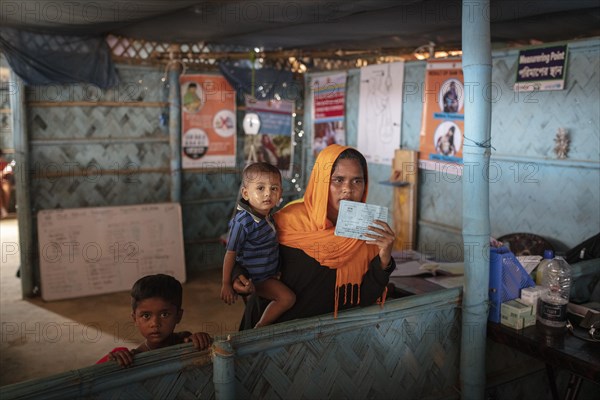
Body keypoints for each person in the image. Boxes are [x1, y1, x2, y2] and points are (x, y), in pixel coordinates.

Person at [232, 144, 396, 329]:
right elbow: (243, 252)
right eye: (338, 180)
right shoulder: (286, 221)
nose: (348, 190)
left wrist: (384, 259)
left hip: (324, 341)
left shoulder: (368, 233)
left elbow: (365, 298)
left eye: (357, 181)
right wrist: (238, 275)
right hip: (271, 333)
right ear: (321, 181)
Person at [221, 162, 295, 328]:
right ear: (246, 193)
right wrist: (226, 283)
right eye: (260, 188)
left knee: (255, 307)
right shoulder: (242, 222)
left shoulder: (268, 216)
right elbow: (231, 253)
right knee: (287, 298)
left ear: (280, 193)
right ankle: (261, 327)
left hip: (270, 273)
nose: (268, 193)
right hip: (257, 278)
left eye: (274, 188)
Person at [96, 274, 212, 367]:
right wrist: (115, 362)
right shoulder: (133, 359)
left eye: (164, 314)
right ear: (135, 319)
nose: (155, 324)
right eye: (146, 316)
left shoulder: (185, 340)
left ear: (178, 316)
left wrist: (201, 339)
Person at [0, 149, 14, 219]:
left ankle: (4, 210)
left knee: (6, 187)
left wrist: (7, 171)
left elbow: (10, 173)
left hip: (4, 182)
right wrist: (3, 173)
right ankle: (2, 209)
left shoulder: (5, 164)